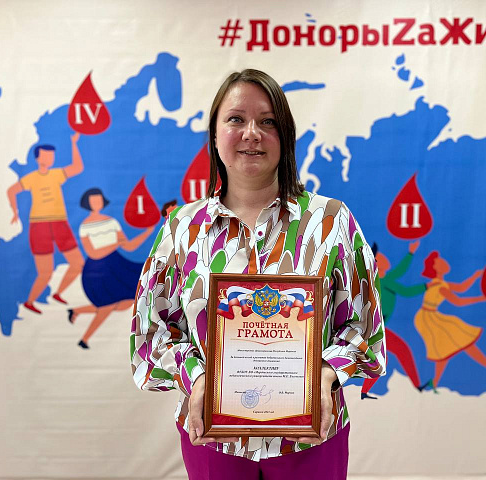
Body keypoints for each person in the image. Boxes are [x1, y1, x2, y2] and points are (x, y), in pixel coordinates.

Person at [130, 69, 386, 479]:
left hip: (312, 437)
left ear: (286, 136)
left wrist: (326, 373)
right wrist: (197, 378)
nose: (252, 133)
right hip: (213, 439)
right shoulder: (182, 228)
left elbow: (362, 327)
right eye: (236, 119)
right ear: (215, 135)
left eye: (268, 121)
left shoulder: (331, 221)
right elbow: (153, 331)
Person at [7, 133, 85, 313]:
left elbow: (78, 167)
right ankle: (30, 302)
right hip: (39, 225)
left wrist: (74, 143)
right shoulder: (31, 178)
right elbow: (12, 191)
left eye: (51, 156)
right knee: (45, 272)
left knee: (78, 263)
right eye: (46, 156)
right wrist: (15, 211)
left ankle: (58, 293)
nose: (50, 159)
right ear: (37, 158)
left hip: (59, 222)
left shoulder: (57, 174)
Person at [69, 188, 154, 348]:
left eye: (99, 199)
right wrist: (115, 244)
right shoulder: (85, 226)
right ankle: (84, 338)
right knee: (109, 305)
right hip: (97, 271)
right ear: (87, 203)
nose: (97, 203)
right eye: (93, 200)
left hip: (117, 265)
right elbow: (93, 253)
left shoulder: (111, 221)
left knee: (124, 303)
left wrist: (148, 232)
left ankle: (77, 312)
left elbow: (129, 246)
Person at [414, 251, 486, 393]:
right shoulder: (439, 286)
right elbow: (458, 302)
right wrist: (480, 299)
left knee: (447, 347)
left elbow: (461, 288)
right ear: (436, 268)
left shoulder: (442, 283)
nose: (444, 262)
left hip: (430, 316)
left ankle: (435, 382)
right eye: (439, 261)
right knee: (455, 340)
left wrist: (475, 276)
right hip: (428, 318)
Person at [361, 240, 426, 399]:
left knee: (386, 356)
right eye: (380, 257)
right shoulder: (380, 281)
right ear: (375, 263)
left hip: (377, 327)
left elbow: (399, 273)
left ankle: (364, 392)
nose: (385, 258)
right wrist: (426, 287)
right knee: (398, 352)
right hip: (373, 328)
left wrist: (410, 253)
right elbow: (406, 290)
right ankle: (417, 385)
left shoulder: (386, 279)